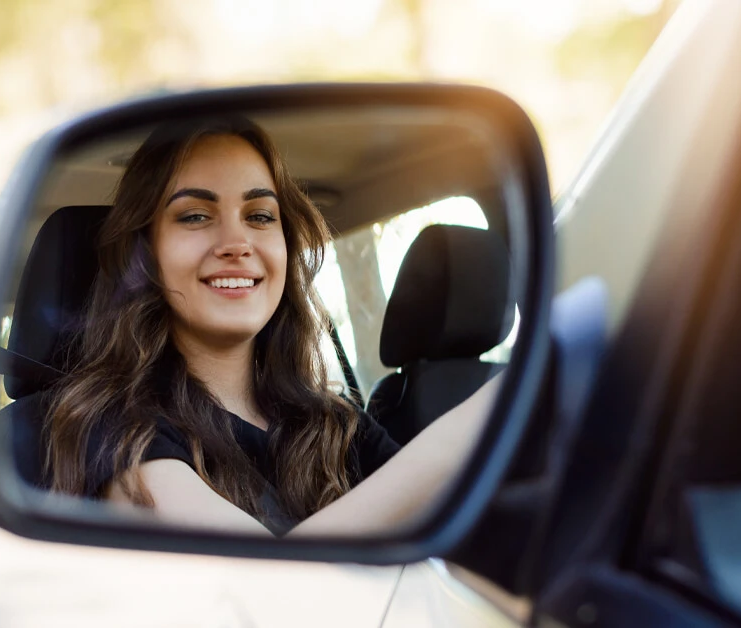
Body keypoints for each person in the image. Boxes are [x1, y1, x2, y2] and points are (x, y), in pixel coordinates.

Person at [44, 116, 500, 537]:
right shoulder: (113, 430)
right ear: (146, 256)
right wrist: (474, 426)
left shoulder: (331, 421)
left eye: (260, 216)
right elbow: (269, 584)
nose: (237, 243)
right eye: (195, 216)